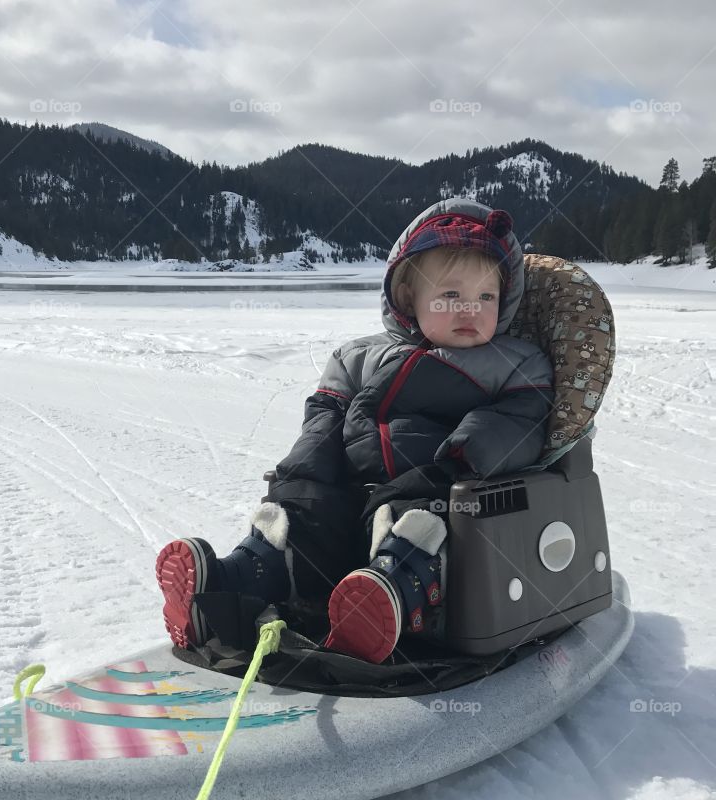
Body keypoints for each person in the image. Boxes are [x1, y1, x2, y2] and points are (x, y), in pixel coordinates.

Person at [155, 197, 554, 663]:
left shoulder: (514, 362)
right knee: (302, 513)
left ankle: (385, 601)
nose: (470, 310)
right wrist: (303, 475)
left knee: (415, 522)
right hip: (350, 488)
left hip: (437, 483)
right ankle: (226, 589)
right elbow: (323, 419)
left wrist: (463, 454)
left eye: (486, 298)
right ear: (408, 297)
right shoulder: (357, 356)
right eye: (450, 296)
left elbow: (523, 419)